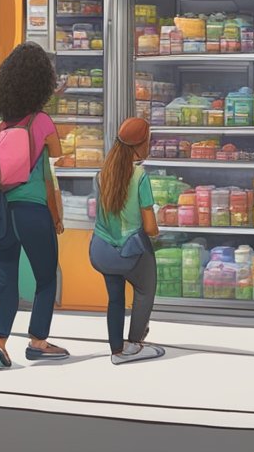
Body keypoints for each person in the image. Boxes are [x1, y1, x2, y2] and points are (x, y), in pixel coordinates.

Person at [0, 42, 68, 371]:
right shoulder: (43, 122)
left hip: (1, 213)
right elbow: (56, 155)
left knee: (5, 282)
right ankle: (37, 342)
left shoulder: (3, 125)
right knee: (45, 278)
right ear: (42, 83)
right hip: (33, 211)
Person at [93, 117, 164, 364]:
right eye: (149, 140)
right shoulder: (140, 175)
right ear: (140, 144)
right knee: (145, 289)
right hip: (130, 251)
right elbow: (149, 226)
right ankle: (134, 344)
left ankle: (116, 350)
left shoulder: (103, 173)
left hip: (102, 249)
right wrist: (158, 231)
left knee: (115, 297)